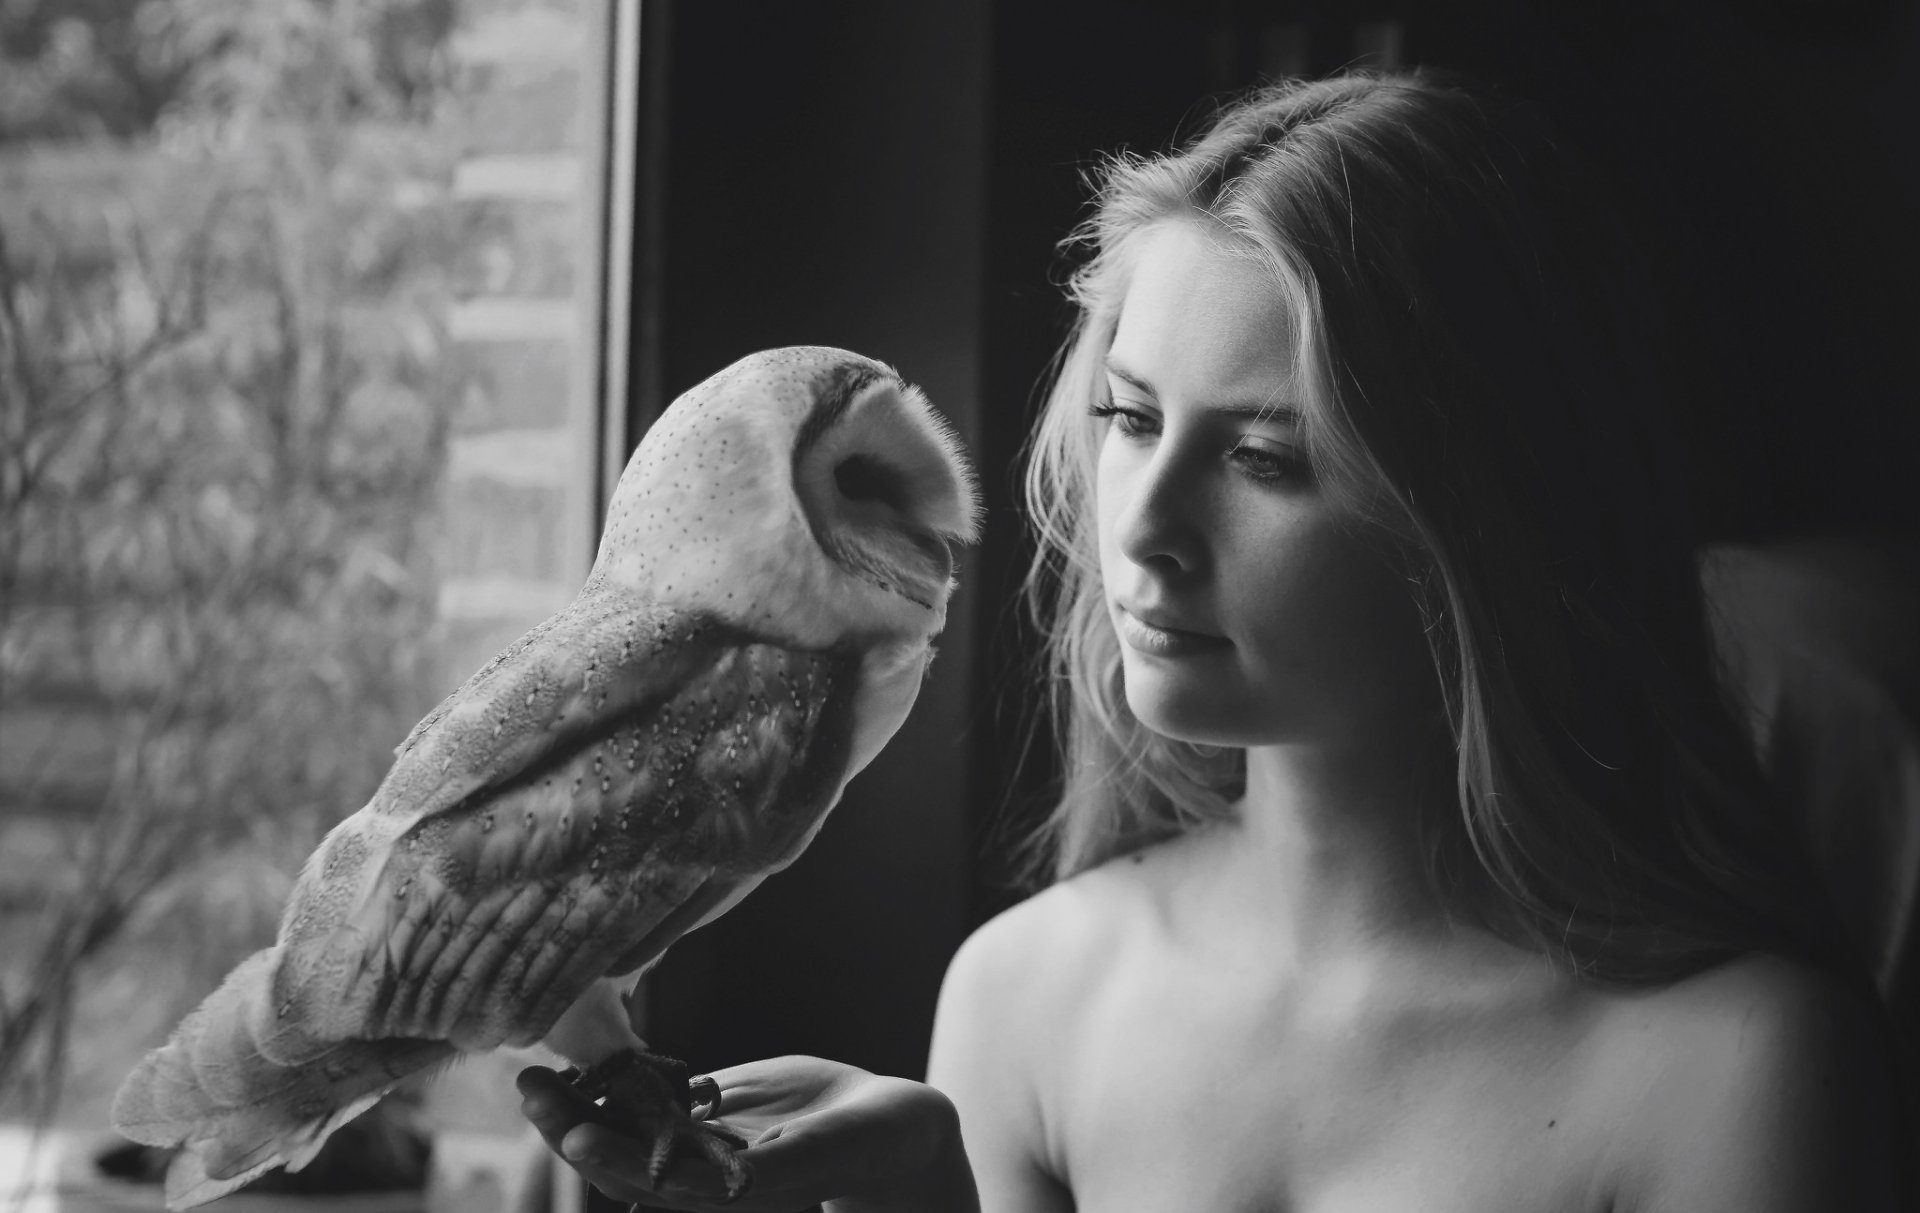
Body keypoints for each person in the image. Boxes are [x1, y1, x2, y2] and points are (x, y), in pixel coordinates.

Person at [516, 69, 1908, 1211]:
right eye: (1128, 419)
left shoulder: (1743, 1068)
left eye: (1266, 458)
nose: (1147, 524)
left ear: (1485, 521)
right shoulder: (1028, 997)